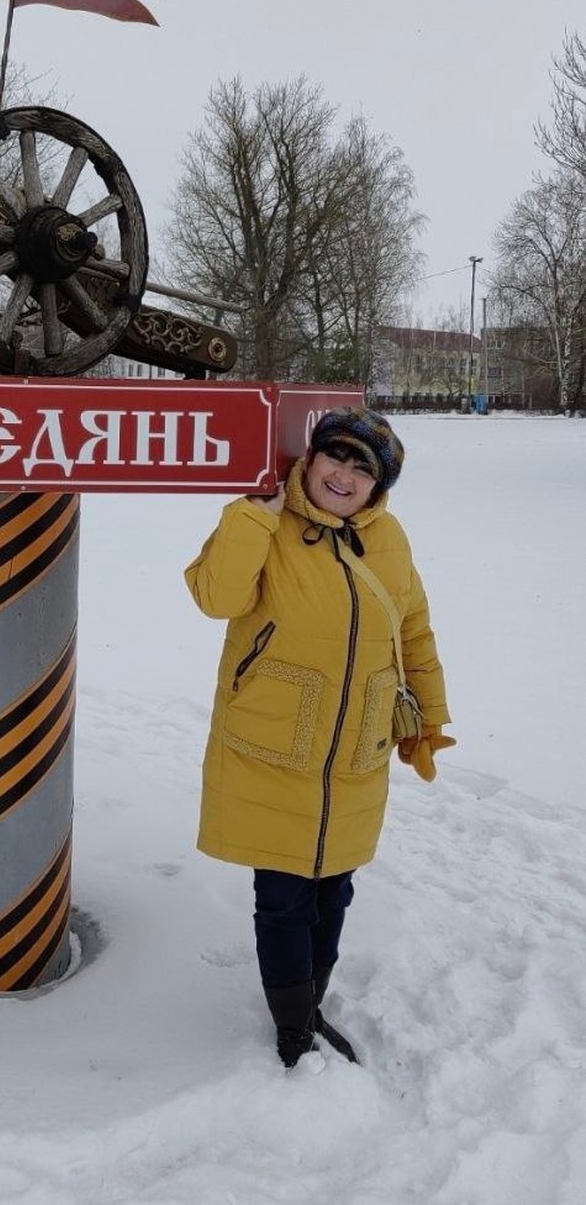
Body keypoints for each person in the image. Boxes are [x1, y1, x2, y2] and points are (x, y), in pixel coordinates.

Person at [184, 406, 453, 1067]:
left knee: (335, 889)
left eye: (364, 468)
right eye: (336, 455)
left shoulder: (389, 538)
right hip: (273, 745)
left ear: (378, 486)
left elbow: (413, 628)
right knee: (283, 899)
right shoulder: (265, 521)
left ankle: (311, 1003)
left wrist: (431, 716)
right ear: (312, 457)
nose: (344, 475)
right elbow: (216, 597)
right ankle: (292, 1029)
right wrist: (254, 515)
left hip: (358, 747)